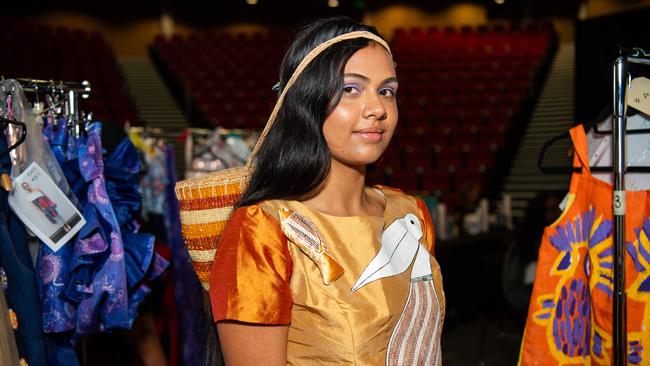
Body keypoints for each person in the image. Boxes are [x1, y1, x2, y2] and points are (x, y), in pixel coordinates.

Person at [209, 17, 445, 365]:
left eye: (387, 91)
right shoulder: (264, 230)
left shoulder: (410, 214)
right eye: (351, 88)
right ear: (308, 100)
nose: (377, 109)